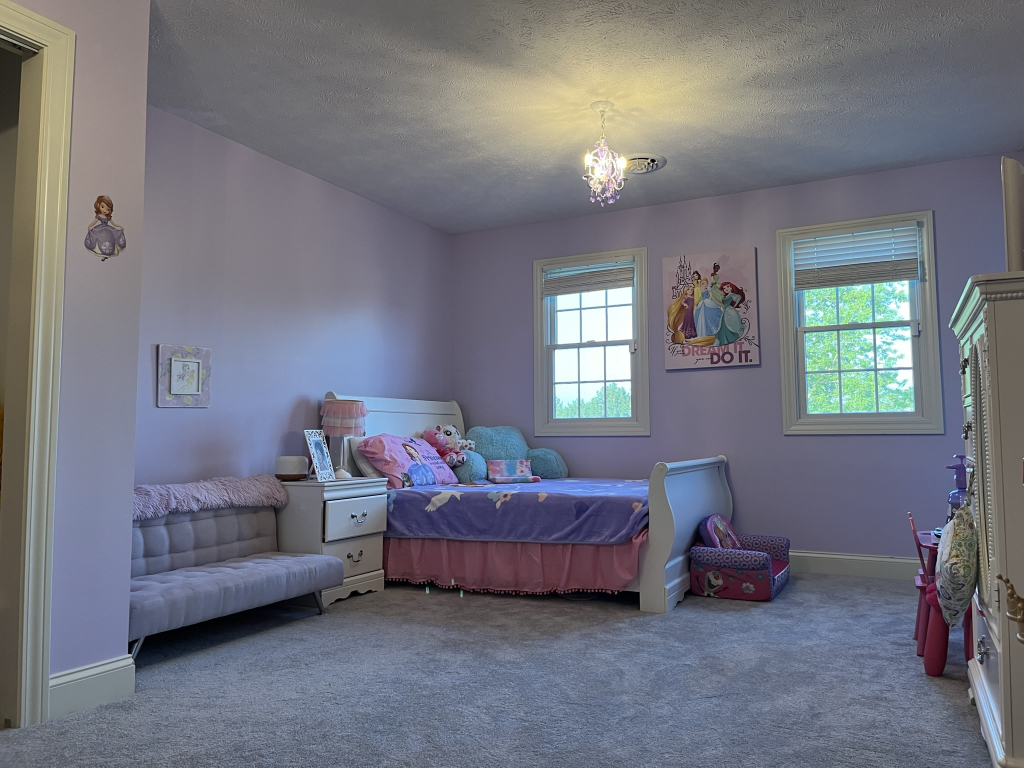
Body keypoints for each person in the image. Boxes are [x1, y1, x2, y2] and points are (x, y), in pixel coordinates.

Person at [85, 195, 127, 261]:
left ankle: (106, 255)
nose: (105, 210)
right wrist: (89, 226)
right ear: (98, 205)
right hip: (100, 230)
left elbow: (113, 223)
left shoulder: (108, 217)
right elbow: (94, 222)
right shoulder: (98, 216)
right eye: (102, 207)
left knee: (109, 241)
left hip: (108, 230)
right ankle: (103, 255)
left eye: (108, 209)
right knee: (101, 241)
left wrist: (119, 226)